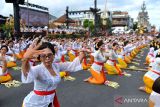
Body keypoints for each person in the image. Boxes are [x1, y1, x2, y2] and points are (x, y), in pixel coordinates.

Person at [21, 40, 84, 107]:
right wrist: (25, 60)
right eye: (43, 56)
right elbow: (27, 75)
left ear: (53, 55)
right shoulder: (38, 69)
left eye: (49, 55)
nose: (47, 58)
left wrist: (82, 53)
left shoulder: (56, 66)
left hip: (50, 101)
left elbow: (72, 65)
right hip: (35, 103)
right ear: (40, 57)